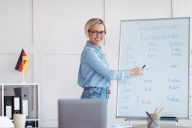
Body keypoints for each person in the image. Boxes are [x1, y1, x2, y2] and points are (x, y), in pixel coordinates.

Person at [77, 18, 143, 104]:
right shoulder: (90, 52)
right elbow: (109, 74)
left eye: (102, 32)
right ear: (88, 32)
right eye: (95, 32)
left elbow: (98, 74)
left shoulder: (97, 50)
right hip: (93, 95)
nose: (99, 36)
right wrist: (132, 71)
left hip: (97, 94)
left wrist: (103, 88)